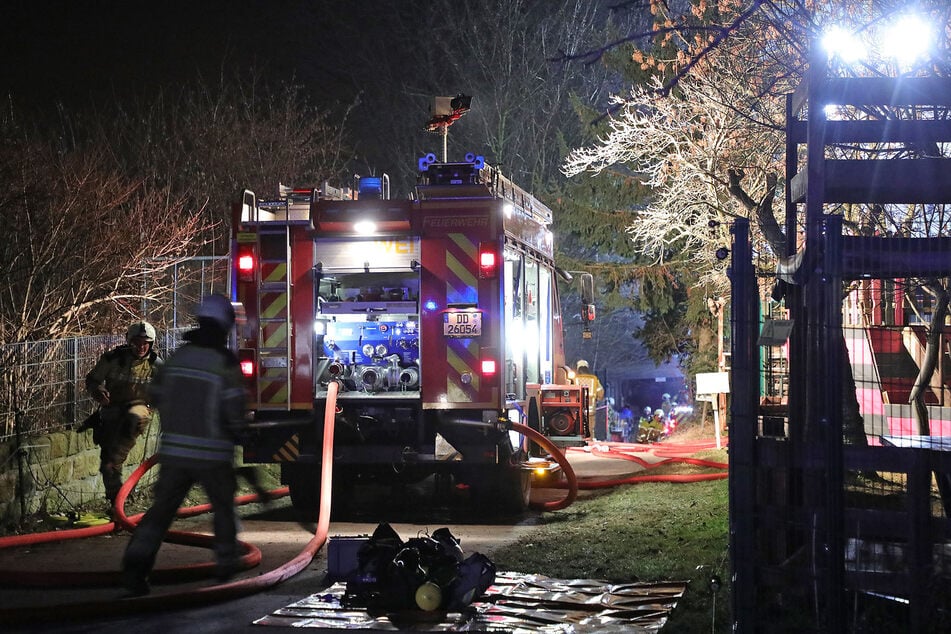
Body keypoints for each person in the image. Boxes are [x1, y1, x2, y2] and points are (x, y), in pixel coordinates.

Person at [122, 294, 247, 596]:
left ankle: (136, 568)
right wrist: (244, 433)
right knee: (223, 509)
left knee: (160, 513)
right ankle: (226, 567)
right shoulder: (224, 365)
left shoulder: (177, 359)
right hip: (213, 456)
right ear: (223, 327)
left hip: (174, 454)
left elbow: (156, 396)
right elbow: (234, 415)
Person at [83, 321, 161, 506]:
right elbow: (92, 380)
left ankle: (119, 500)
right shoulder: (112, 359)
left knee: (133, 418)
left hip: (138, 410)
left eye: (145, 343)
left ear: (151, 344)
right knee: (108, 463)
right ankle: (117, 502)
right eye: (136, 342)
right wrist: (98, 391)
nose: (141, 347)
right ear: (129, 341)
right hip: (112, 411)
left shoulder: (156, 365)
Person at [573, 360, 604, 439]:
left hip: (577, 408)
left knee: (578, 428)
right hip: (590, 409)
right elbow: (600, 392)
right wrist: (598, 398)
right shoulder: (594, 379)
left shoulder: (575, 379)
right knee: (590, 429)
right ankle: (589, 443)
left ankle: (578, 442)